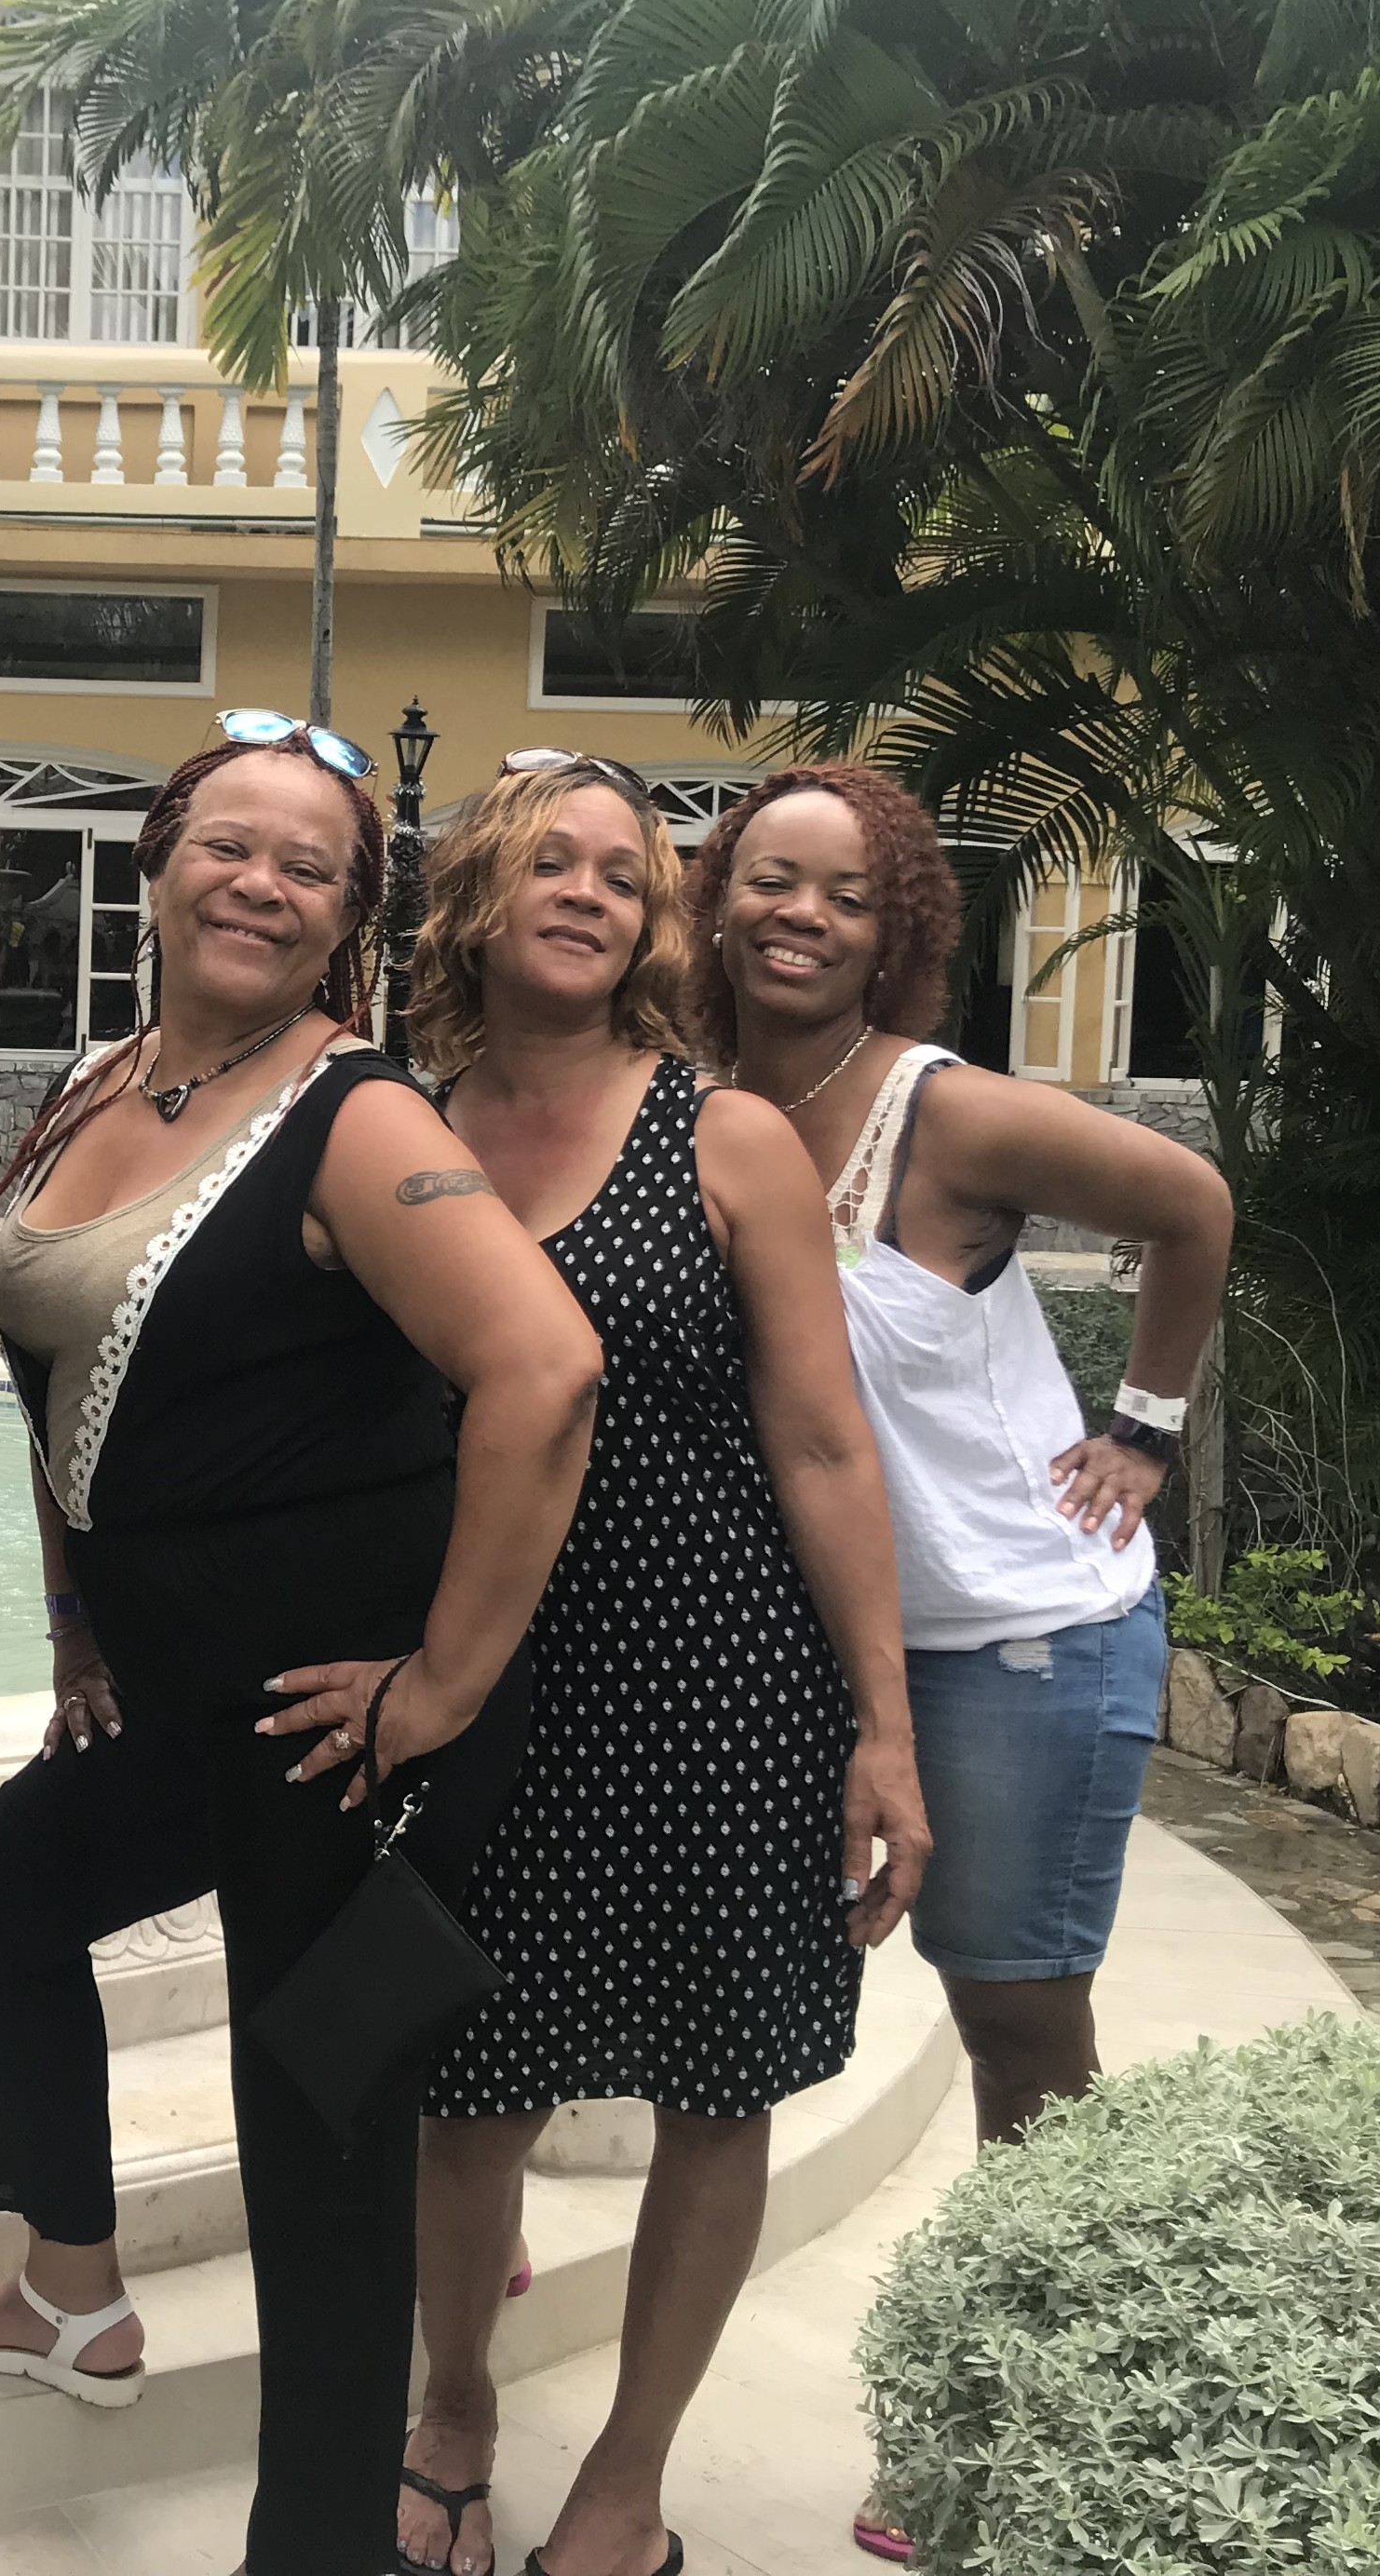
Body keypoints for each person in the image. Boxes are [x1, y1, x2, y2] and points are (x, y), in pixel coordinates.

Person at [0, 716, 606, 2576]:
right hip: (187, 1691)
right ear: (156, 865)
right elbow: (56, 1374)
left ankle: (321, 2551)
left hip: (340, 1723)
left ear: (350, 916)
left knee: (317, 2133)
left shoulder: (359, 1118)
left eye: (310, 865)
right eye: (229, 844)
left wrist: (446, 1685)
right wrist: (72, 1618)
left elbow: (547, 1370)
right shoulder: (94, 1087)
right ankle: (72, 2290)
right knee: (2, 1889)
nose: (261, 883)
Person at [389, 754, 929, 2576]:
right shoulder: (399, 1130)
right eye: (550, 859)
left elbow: (827, 1442)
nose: (588, 891)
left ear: (654, 925)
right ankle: (452, 2411)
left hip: (721, 1681)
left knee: (718, 2084)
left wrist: (885, 1728)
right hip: (489, 1687)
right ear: (477, 893)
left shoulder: (727, 1137)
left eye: (623, 873)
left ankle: (626, 2485)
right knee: (470, 2086)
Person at [690, 766, 1231, 2567]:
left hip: (1020, 1638)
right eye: (771, 878)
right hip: (823, 1651)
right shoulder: (694, 1101)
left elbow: (1192, 1203)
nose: (801, 915)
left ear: (896, 930)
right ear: (719, 899)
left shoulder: (947, 1113)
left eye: (845, 895)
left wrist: (1144, 1429)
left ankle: (1022, 2413)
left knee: (1013, 2021)